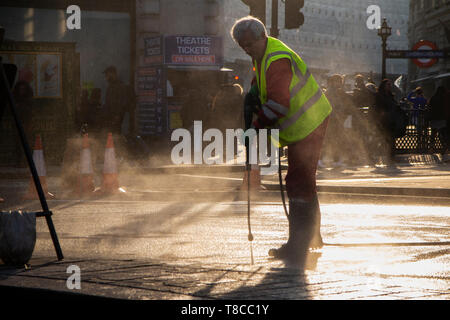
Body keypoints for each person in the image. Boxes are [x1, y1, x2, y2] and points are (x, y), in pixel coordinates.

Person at [230, 16, 332, 261]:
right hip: (305, 123)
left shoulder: (276, 59)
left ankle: (298, 244)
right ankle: (312, 236)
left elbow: (279, 104)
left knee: (297, 180)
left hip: (309, 122)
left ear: (261, 37)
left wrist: (255, 127)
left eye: (249, 45)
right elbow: (262, 82)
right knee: (304, 178)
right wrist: (254, 91)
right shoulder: (263, 55)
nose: (247, 50)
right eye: (242, 47)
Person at [374, 79, 398, 165]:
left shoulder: (390, 95)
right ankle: (380, 155)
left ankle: (390, 157)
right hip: (383, 121)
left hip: (390, 120)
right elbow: (377, 107)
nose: (389, 86)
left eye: (390, 85)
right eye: (388, 85)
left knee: (391, 139)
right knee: (383, 139)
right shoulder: (379, 95)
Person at [12, 80, 34, 167]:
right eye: (21, 89)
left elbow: (30, 111)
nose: (22, 91)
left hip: (27, 122)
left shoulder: (28, 99)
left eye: (24, 89)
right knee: (18, 142)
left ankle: (26, 161)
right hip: (18, 122)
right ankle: (19, 161)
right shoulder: (15, 98)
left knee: (26, 141)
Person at [429, 86, 449, 153]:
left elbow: (429, 107)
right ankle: (444, 147)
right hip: (442, 118)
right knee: (442, 134)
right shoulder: (444, 98)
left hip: (433, 118)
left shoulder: (433, 97)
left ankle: (431, 148)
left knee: (433, 134)